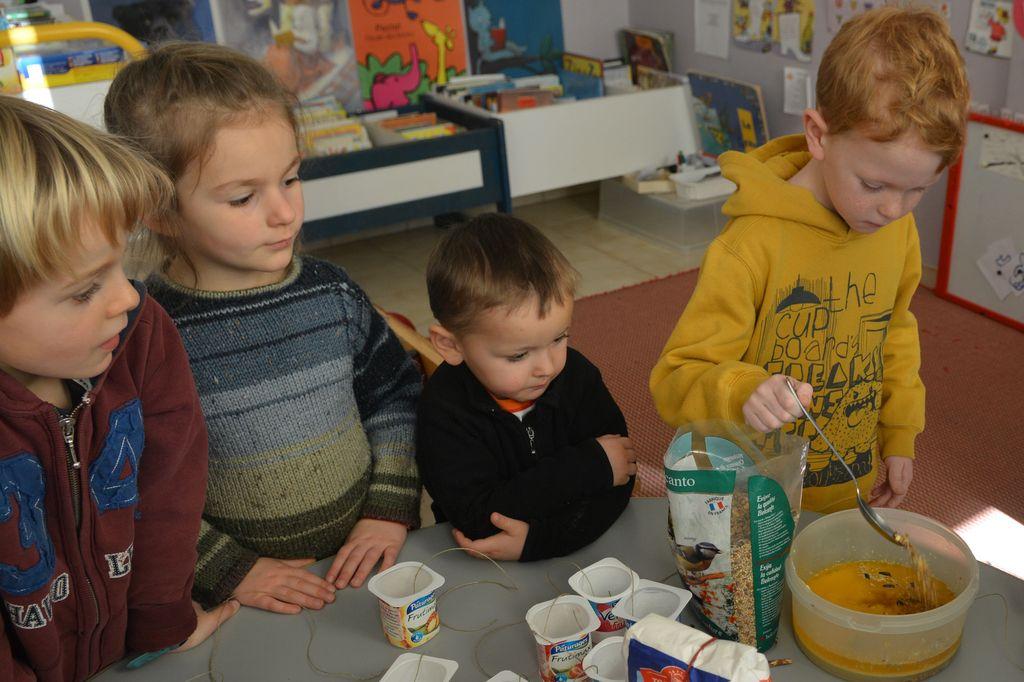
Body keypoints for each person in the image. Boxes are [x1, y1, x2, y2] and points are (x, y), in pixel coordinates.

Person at [103, 42, 422, 614]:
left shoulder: (333, 292)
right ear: (157, 207)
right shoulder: (139, 336)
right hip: (247, 599)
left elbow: (394, 394)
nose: (284, 213)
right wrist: (227, 567)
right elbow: (130, 483)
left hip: (376, 562)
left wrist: (388, 509)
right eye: (245, 196)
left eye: (291, 179)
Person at [650, 6, 970, 514]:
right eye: (873, 184)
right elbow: (677, 378)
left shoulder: (896, 230)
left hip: (851, 484)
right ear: (818, 136)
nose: (893, 208)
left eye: (919, 190)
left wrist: (900, 432)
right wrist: (743, 391)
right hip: (750, 496)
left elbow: (895, 332)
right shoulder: (750, 244)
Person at [0, 96, 235, 680]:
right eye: (84, 291)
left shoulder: (140, 335)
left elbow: (168, 493)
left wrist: (161, 624)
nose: (127, 298)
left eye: (119, 267)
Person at [417, 213, 635, 561]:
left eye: (559, 338)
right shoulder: (442, 411)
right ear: (451, 346)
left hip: (590, 549)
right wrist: (589, 468)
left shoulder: (577, 376)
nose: (547, 368)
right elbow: (479, 520)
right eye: (518, 356)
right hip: (484, 569)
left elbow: (621, 477)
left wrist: (542, 539)